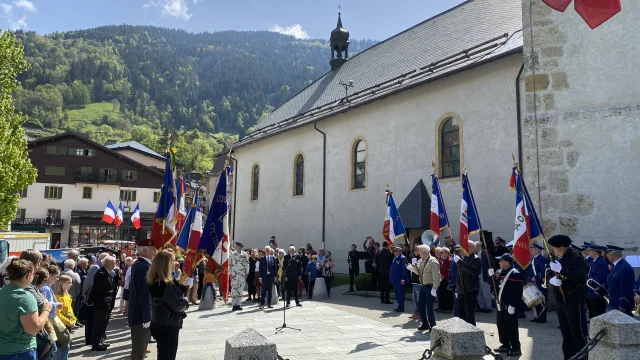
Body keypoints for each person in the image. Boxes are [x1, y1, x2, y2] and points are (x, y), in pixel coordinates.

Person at [546, 234, 589, 360]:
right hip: (561, 301)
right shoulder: (557, 258)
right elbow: (549, 273)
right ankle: (568, 357)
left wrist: (562, 271)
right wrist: (551, 280)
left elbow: (580, 278)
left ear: (562, 247)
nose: (552, 249)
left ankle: (581, 358)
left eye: (554, 247)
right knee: (566, 333)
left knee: (577, 333)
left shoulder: (576, 258)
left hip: (573, 301)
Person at [0, 259, 53, 360]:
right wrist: (46, 310)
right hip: (20, 352)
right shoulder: (25, 297)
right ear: (28, 275)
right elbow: (33, 328)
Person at [148, 250, 189, 360]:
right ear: (165, 264)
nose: (175, 263)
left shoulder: (156, 279)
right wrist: (186, 301)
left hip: (161, 323)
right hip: (167, 325)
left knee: (163, 355)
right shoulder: (164, 283)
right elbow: (178, 305)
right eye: (172, 260)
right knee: (168, 356)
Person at [128, 240, 157, 360]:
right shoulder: (143, 266)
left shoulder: (140, 264)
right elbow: (143, 294)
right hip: (140, 316)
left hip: (139, 314)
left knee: (139, 349)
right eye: (152, 248)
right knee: (139, 351)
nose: (155, 251)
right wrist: (147, 316)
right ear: (145, 250)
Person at [490, 254, 524, 357]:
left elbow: (517, 292)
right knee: (501, 325)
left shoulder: (515, 274)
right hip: (500, 303)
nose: (499, 263)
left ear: (507, 262)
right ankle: (505, 345)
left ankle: (516, 348)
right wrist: (490, 277)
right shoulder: (499, 272)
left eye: (501, 261)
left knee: (511, 327)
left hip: (509, 305)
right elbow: (494, 286)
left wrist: (513, 305)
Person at [88, 255, 116, 351]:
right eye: (113, 263)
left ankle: (101, 341)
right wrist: (90, 300)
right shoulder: (101, 273)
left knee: (104, 324)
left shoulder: (108, 273)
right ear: (107, 263)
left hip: (106, 304)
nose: (114, 265)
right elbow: (96, 289)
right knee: (99, 324)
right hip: (101, 303)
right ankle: (95, 344)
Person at [453, 243, 481, 326]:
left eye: (462, 248)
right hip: (462, 289)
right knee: (461, 313)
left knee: (469, 314)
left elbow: (472, 272)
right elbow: (459, 275)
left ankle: (472, 334)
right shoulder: (464, 259)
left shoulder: (476, 259)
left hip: (470, 289)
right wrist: (458, 288)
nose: (460, 250)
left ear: (471, 248)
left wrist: (460, 262)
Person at [604, 245, 635, 316]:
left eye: (607, 253)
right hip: (613, 302)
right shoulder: (616, 266)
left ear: (614, 253)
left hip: (620, 305)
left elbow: (626, 287)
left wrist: (622, 304)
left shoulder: (624, 267)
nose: (606, 255)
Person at [416, 244, 440, 331]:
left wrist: (435, 288)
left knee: (429, 307)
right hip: (423, 286)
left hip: (430, 286)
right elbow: (419, 272)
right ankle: (424, 323)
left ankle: (432, 325)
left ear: (425, 252)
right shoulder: (422, 260)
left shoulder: (433, 261)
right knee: (420, 305)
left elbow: (436, 276)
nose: (418, 253)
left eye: (420, 251)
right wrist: (412, 267)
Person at [53, 274, 76, 360]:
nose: (71, 284)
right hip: (60, 326)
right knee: (63, 347)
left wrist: (74, 320)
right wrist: (69, 322)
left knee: (66, 346)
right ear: (61, 283)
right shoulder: (57, 297)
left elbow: (70, 310)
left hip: (67, 324)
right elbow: (58, 314)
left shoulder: (67, 296)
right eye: (68, 283)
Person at [585, 243, 608, 319]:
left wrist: (588, 280)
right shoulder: (593, 261)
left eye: (589, 251)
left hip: (597, 292)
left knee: (597, 314)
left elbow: (601, 277)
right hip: (591, 291)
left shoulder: (601, 263)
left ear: (595, 251)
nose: (588, 252)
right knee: (592, 314)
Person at [527, 243, 549, 323]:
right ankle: (537, 316)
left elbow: (545, 271)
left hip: (541, 283)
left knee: (541, 300)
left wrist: (536, 277)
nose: (531, 250)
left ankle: (542, 318)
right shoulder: (534, 259)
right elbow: (531, 272)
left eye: (532, 248)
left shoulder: (542, 259)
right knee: (535, 300)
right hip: (534, 283)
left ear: (537, 249)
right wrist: (530, 280)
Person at [230, 242, 250, 312]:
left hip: (242, 275)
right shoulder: (232, 254)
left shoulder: (245, 254)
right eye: (237, 245)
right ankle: (234, 305)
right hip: (234, 275)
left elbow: (247, 264)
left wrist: (247, 272)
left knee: (240, 290)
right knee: (234, 290)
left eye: (238, 245)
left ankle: (238, 304)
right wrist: (230, 274)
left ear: (240, 246)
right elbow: (230, 264)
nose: (237, 246)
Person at [60, 260, 81, 324]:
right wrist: (74, 295)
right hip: (72, 297)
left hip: (59, 297)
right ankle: (70, 325)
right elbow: (78, 289)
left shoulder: (59, 274)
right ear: (73, 266)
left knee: (61, 313)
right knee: (70, 313)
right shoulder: (76, 275)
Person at [389, 245, 408, 312]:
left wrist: (403, 279)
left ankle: (401, 307)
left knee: (401, 294)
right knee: (397, 294)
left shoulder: (403, 258)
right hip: (395, 280)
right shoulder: (395, 258)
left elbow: (405, 270)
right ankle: (399, 306)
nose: (394, 252)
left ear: (399, 251)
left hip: (400, 280)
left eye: (395, 251)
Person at [437, 247, 452, 313]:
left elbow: (450, 270)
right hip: (440, 279)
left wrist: (444, 276)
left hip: (447, 279)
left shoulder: (450, 260)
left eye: (445, 252)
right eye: (442, 252)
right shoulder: (439, 260)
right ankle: (441, 307)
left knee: (448, 294)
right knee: (441, 293)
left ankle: (448, 308)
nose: (443, 254)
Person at [409, 245, 421, 320]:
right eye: (414, 250)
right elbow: (414, 270)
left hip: (418, 282)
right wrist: (409, 267)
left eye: (416, 250)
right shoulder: (416, 258)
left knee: (418, 299)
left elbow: (418, 271)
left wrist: (413, 266)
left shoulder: (421, 259)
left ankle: (419, 313)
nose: (414, 252)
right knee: (414, 298)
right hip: (414, 282)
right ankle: (416, 312)